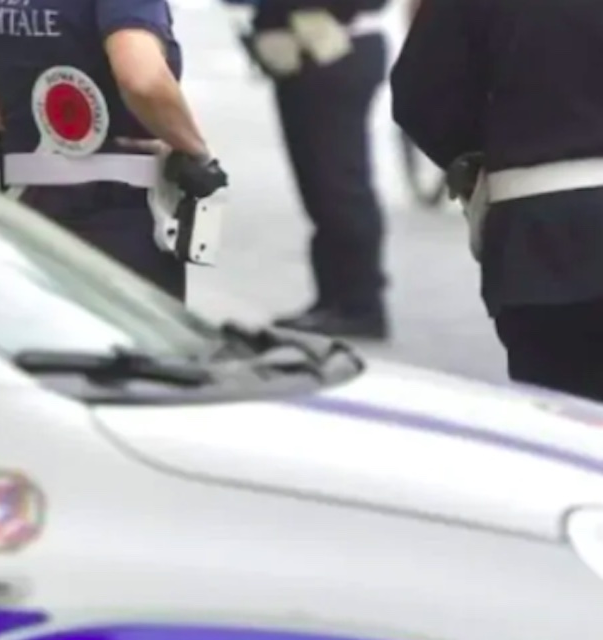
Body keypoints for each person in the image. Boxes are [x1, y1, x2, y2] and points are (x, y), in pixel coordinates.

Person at [0, 0, 226, 302]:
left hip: (26, 207)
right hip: (121, 218)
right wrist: (196, 151)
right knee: (135, 367)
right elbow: (143, 79)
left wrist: (18, 125)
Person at [392, 0, 603, 401]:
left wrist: (489, 155)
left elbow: (420, 95)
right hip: (540, 227)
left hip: (539, 226)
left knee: (559, 418)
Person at [240, 0, 390, 339]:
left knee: (339, 186)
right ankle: (334, 297)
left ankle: (359, 304)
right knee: (320, 189)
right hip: (301, 51)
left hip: (334, 45)